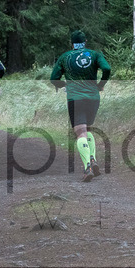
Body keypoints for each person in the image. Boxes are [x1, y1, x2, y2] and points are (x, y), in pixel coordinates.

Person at [51, 30, 112, 182]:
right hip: (93, 97)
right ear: (85, 41)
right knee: (88, 129)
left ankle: (87, 168)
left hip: (75, 98)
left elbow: (54, 79)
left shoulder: (65, 57)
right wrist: (101, 84)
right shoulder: (94, 54)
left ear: (72, 43)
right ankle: (92, 159)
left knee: (80, 132)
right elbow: (107, 69)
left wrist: (63, 84)